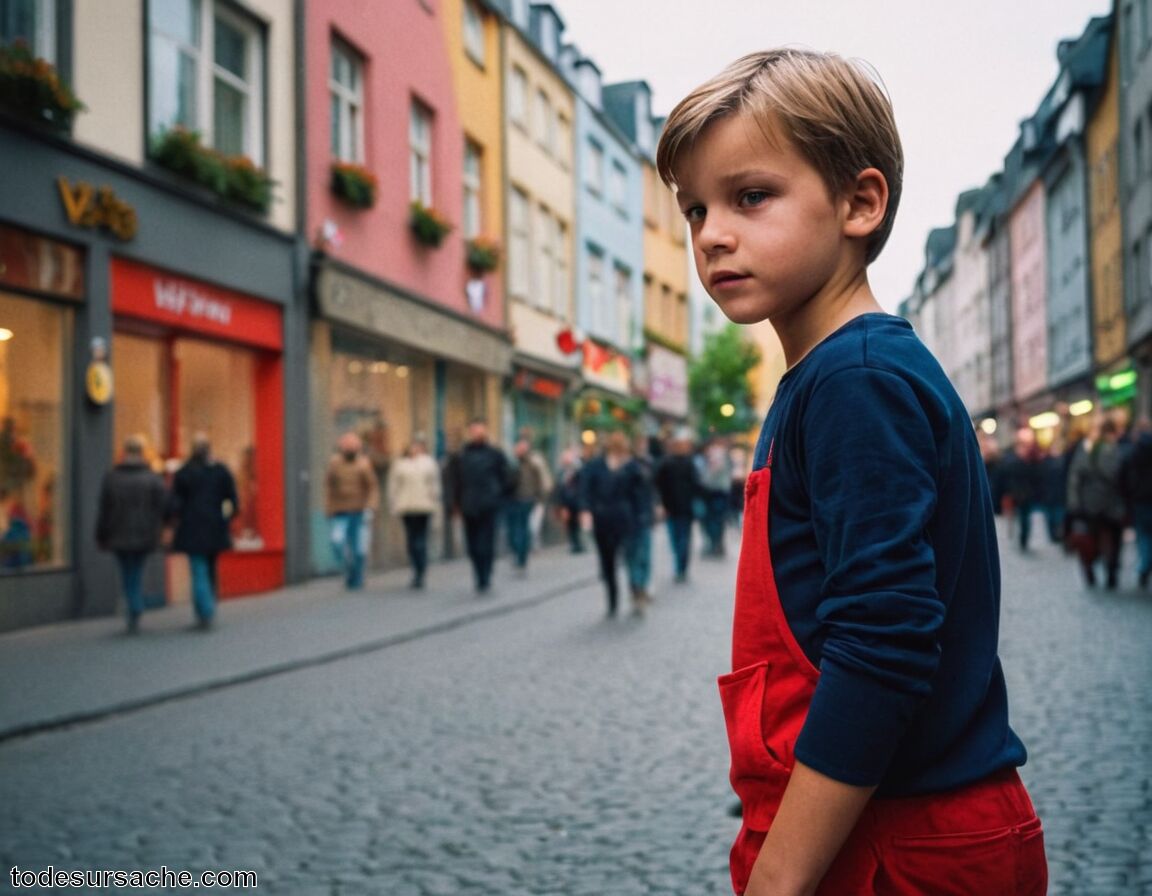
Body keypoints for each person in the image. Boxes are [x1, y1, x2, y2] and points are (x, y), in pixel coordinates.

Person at [656, 48, 1045, 896]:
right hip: (893, 829)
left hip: (903, 843)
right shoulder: (833, 375)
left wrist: (780, 879)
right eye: (695, 210)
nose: (712, 233)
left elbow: (883, 643)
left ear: (859, 202)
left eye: (750, 196)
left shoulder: (854, 380)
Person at [95, 435, 167, 633]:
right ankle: (135, 605)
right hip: (144, 533)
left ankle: (133, 605)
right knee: (136, 569)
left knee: (127, 571)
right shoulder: (152, 478)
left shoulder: (112, 477)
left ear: (124, 452)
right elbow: (164, 505)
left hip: (118, 533)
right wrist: (161, 526)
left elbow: (104, 509)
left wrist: (101, 535)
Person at [169, 433, 238, 629]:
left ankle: (204, 612)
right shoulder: (220, 471)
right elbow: (232, 500)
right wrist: (227, 517)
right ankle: (208, 608)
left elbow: (175, 503)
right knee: (210, 568)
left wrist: (175, 518)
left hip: (192, 528)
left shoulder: (184, 473)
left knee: (198, 569)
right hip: (214, 526)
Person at [580, 431, 650, 617]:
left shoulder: (631, 467)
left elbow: (641, 492)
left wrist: (643, 515)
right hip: (602, 519)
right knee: (607, 562)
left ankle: (635, 591)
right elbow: (586, 490)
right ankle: (612, 599)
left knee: (631, 558)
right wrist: (586, 510)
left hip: (626, 520)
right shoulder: (596, 466)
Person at [446, 419, 513, 594]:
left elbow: (507, 477)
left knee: (486, 542)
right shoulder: (461, 456)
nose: (477, 433)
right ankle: (478, 572)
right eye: (474, 430)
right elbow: (454, 481)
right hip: (468, 505)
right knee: (473, 544)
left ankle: (486, 574)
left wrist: (499, 495)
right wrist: (453, 504)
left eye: (480, 430)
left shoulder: (495, 455)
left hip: (489, 505)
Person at [1066, 418, 1127, 589]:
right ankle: (1111, 571)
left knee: (1090, 539)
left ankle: (1089, 567)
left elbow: (1075, 477)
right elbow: (1120, 476)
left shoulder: (1087, 448)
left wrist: (1074, 502)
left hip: (1089, 503)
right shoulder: (1116, 449)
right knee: (1114, 540)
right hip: (1113, 504)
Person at [325, 431, 379, 590]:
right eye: (346, 446)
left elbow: (372, 487)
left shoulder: (363, 464)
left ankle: (356, 576)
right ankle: (349, 569)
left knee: (358, 547)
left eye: (352, 446)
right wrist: (329, 507)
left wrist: (370, 507)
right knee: (337, 542)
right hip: (340, 510)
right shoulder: (334, 463)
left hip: (358, 511)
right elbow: (329, 485)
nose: (349, 449)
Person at [386, 436, 440, 589]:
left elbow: (435, 485)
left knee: (420, 540)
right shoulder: (400, 464)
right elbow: (393, 486)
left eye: (417, 446)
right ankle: (415, 567)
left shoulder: (429, 463)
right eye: (412, 446)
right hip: (406, 507)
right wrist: (394, 503)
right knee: (411, 540)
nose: (414, 449)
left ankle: (421, 570)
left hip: (424, 506)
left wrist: (435, 501)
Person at [654, 428, 702, 582]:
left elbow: (658, 485)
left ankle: (680, 567)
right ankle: (681, 567)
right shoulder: (681, 463)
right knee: (682, 540)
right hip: (680, 507)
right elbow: (697, 485)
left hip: (675, 508)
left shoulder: (668, 463)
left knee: (677, 539)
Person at [505, 435, 553, 571]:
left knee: (523, 529)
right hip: (512, 499)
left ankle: (521, 557)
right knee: (513, 529)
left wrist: (539, 497)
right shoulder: (511, 462)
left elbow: (540, 481)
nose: (521, 449)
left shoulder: (533, 463)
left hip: (527, 499)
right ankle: (517, 553)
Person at [999, 427, 1045, 551]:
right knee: (1014, 518)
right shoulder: (1010, 457)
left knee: (1025, 519)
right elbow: (1004, 474)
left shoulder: (1031, 457)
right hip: (1014, 493)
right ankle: (1016, 537)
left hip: (1026, 494)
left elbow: (1037, 476)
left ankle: (1023, 540)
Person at [1123, 417, 1152, 589]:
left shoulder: (1132, 452)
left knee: (1143, 535)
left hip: (1139, 500)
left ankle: (1145, 563)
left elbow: (1125, 478)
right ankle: (1146, 562)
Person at [697, 435, 733, 556]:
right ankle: (716, 545)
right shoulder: (721, 454)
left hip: (716, 492)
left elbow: (712, 473)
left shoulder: (718, 454)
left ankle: (715, 545)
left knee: (714, 520)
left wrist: (703, 481)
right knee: (715, 520)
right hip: (718, 491)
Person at [553, 446, 586, 554]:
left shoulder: (578, 471)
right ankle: (574, 543)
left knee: (577, 523)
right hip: (566, 502)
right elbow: (559, 488)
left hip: (576, 502)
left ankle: (578, 543)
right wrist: (560, 504)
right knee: (570, 524)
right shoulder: (561, 473)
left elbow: (582, 487)